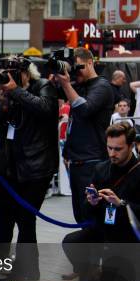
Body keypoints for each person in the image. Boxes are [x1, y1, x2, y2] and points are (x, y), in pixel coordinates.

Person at [0, 57, 59, 281]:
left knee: (26, 217)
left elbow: (46, 109)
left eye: (13, 73)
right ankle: (14, 265)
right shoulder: (10, 94)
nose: (9, 78)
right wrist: (3, 105)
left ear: (26, 73)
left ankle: (26, 268)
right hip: (12, 165)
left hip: (37, 166)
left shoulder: (44, 87)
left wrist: (16, 92)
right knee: (8, 215)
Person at [62, 122, 140, 281]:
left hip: (128, 240)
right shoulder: (101, 168)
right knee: (72, 241)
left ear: (131, 146)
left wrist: (121, 203)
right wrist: (92, 202)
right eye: (109, 148)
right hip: (104, 231)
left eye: (118, 149)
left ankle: (126, 273)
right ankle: (89, 274)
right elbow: (87, 213)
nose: (112, 153)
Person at [53, 47, 114, 223]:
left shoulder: (102, 86)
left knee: (90, 217)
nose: (76, 72)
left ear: (90, 63)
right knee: (80, 215)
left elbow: (85, 110)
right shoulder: (80, 86)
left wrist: (66, 84)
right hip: (77, 161)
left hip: (92, 161)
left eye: (79, 66)